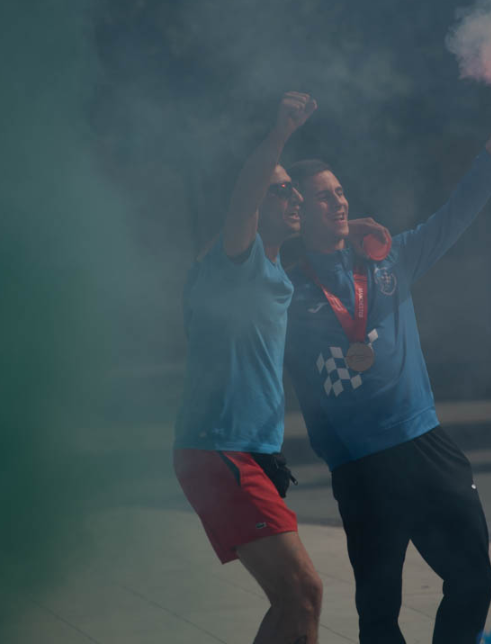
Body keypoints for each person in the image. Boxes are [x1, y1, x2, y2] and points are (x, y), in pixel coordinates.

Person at [284, 116, 491, 644]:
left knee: (473, 577)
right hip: (361, 467)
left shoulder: (388, 258)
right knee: (379, 614)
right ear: (298, 212)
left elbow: (454, 215)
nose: (339, 202)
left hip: (423, 444)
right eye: (323, 197)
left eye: (340, 192)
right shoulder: (284, 290)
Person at [171, 92, 322, 644]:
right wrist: (280, 134)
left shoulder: (276, 271)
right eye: (282, 189)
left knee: (295, 599)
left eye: (294, 189)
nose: (295, 197)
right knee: (303, 590)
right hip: (220, 448)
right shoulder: (237, 257)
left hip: (249, 452)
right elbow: (244, 199)